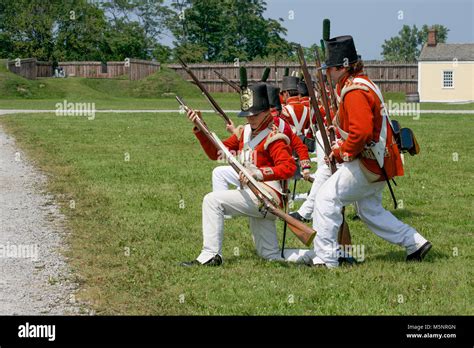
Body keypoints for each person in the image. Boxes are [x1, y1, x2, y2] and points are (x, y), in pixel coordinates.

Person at [307, 35, 432, 268]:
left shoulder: (354, 91)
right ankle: (415, 243)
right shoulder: (361, 83)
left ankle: (325, 259)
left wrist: (341, 152)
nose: (327, 73)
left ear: (343, 67)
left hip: (369, 163)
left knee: (325, 199)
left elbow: (361, 133)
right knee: (370, 211)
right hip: (379, 161)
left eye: (330, 69)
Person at [182, 83, 307, 266]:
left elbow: (288, 168)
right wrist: (200, 128)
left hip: (267, 196)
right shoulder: (245, 132)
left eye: (255, 114)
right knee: (270, 255)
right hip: (256, 196)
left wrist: (257, 173)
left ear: (267, 112)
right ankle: (318, 257)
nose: (251, 119)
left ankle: (210, 255)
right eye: (248, 115)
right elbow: (216, 153)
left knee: (212, 200)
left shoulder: (274, 137)